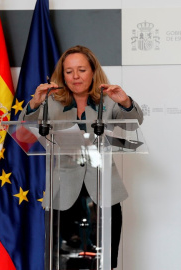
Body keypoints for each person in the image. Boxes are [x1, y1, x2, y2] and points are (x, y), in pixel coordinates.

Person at [19, 45, 143, 269]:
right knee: (64, 262)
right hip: (63, 194)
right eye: (69, 71)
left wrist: (125, 101)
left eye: (82, 70)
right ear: (62, 75)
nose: (75, 76)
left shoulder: (109, 100)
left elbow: (133, 122)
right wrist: (35, 103)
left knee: (103, 262)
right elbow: (22, 133)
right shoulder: (50, 102)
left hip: (104, 193)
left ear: (93, 71)